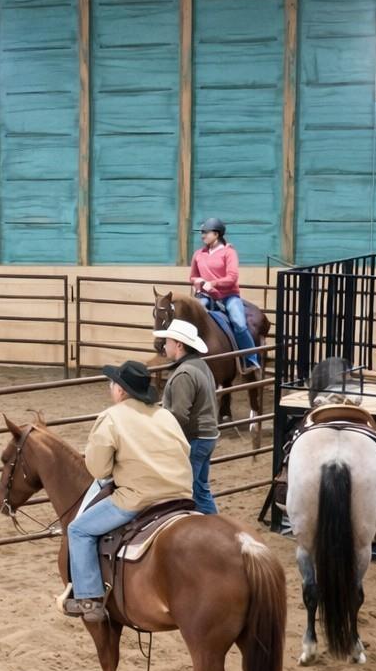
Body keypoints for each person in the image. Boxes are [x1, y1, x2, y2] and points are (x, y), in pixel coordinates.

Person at [64, 360, 194, 622]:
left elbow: (98, 470)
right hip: (180, 495)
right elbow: (186, 451)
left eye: (112, 384)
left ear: (121, 391)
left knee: (78, 530)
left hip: (138, 498)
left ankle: (90, 598)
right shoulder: (164, 415)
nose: (110, 388)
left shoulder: (111, 418)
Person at [155, 318, 220, 515]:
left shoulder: (184, 373)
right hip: (206, 435)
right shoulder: (199, 365)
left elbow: (179, 415)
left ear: (179, 345)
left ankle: (211, 529)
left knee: (185, 490)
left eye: (168, 342)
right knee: (200, 490)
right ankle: (216, 527)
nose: (164, 346)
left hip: (195, 438)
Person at [189, 218, 260, 371]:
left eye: (205, 233)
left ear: (216, 234)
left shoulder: (229, 252)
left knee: (239, 323)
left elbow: (232, 277)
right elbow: (192, 276)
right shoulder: (198, 254)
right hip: (206, 296)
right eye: (202, 233)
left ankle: (250, 359)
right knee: (190, 318)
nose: (202, 236)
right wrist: (199, 282)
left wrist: (213, 283)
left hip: (228, 296)